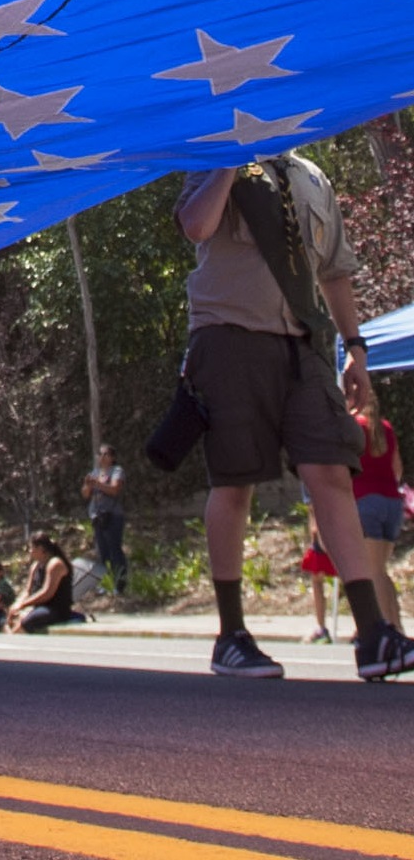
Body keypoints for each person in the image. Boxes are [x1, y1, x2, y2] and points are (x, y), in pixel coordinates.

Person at [173, 156, 412, 680]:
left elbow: (335, 270)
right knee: (235, 481)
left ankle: (373, 633)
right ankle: (232, 635)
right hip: (228, 334)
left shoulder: (313, 177)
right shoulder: (215, 156)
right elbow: (197, 226)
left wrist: (355, 349)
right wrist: (231, 159)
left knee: (331, 470)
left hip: (305, 344)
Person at [352, 402, 402, 631]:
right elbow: (397, 468)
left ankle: (387, 628)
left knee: (373, 572)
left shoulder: (355, 426)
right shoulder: (385, 427)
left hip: (366, 500)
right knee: (381, 570)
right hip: (392, 501)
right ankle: (397, 624)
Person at [9, 533, 87, 634]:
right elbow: (28, 591)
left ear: (40, 548)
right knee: (14, 615)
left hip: (55, 609)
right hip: (38, 606)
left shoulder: (55, 564)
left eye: (31, 548)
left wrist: (24, 604)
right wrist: (17, 604)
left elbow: (47, 593)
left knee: (29, 620)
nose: (29, 551)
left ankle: (14, 639)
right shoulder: (35, 566)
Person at [81, 444, 127, 597]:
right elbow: (85, 494)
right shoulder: (94, 473)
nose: (101, 457)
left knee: (115, 550)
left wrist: (97, 484)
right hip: (97, 516)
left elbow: (114, 490)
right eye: (99, 454)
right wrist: (88, 485)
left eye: (105, 454)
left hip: (113, 515)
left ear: (112, 457)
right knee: (102, 552)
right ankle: (106, 583)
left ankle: (120, 584)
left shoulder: (117, 471)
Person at [301, 509, 338, 644]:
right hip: (338, 530)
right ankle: (321, 627)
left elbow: (313, 508)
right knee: (317, 578)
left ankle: (321, 627)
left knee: (318, 579)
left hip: (326, 531)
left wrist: (317, 533)